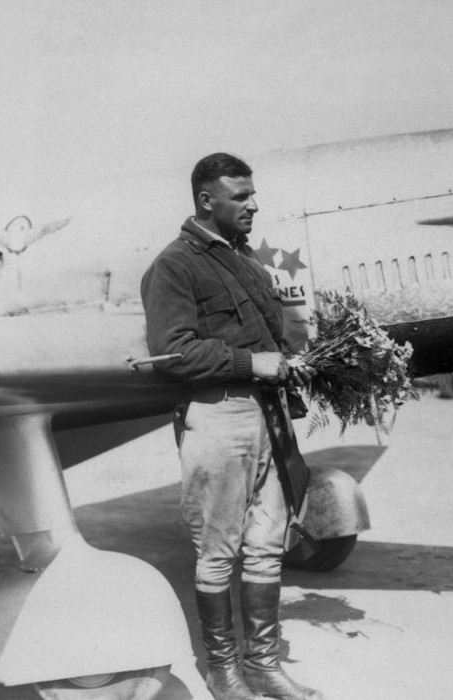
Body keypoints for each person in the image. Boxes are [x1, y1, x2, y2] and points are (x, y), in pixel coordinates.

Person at [141, 153, 323, 700]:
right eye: (240, 196)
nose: (253, 204)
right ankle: (222, 671)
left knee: (267, 545)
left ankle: (263, 664)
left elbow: (267, 333)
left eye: (252, 194)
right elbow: (172, 353)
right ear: (206, 200)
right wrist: (252, 364)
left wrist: (296, 356)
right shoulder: (174, 266)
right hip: (220, 416)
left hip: (267, 416)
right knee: (218, 551)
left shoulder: (245, 259)